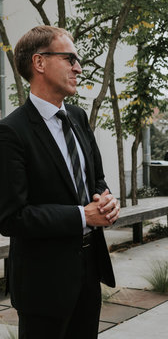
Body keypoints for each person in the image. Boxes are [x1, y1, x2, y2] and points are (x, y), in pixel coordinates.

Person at [0, 26, 119, 339]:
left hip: (89, 271)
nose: (78, 67)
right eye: (70, 58)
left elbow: (96, 179)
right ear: (39, 63)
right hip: (43, 283)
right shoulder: (11, 133)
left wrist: (105, 200)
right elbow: (12, 217)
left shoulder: (78, 117)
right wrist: (83, 216)